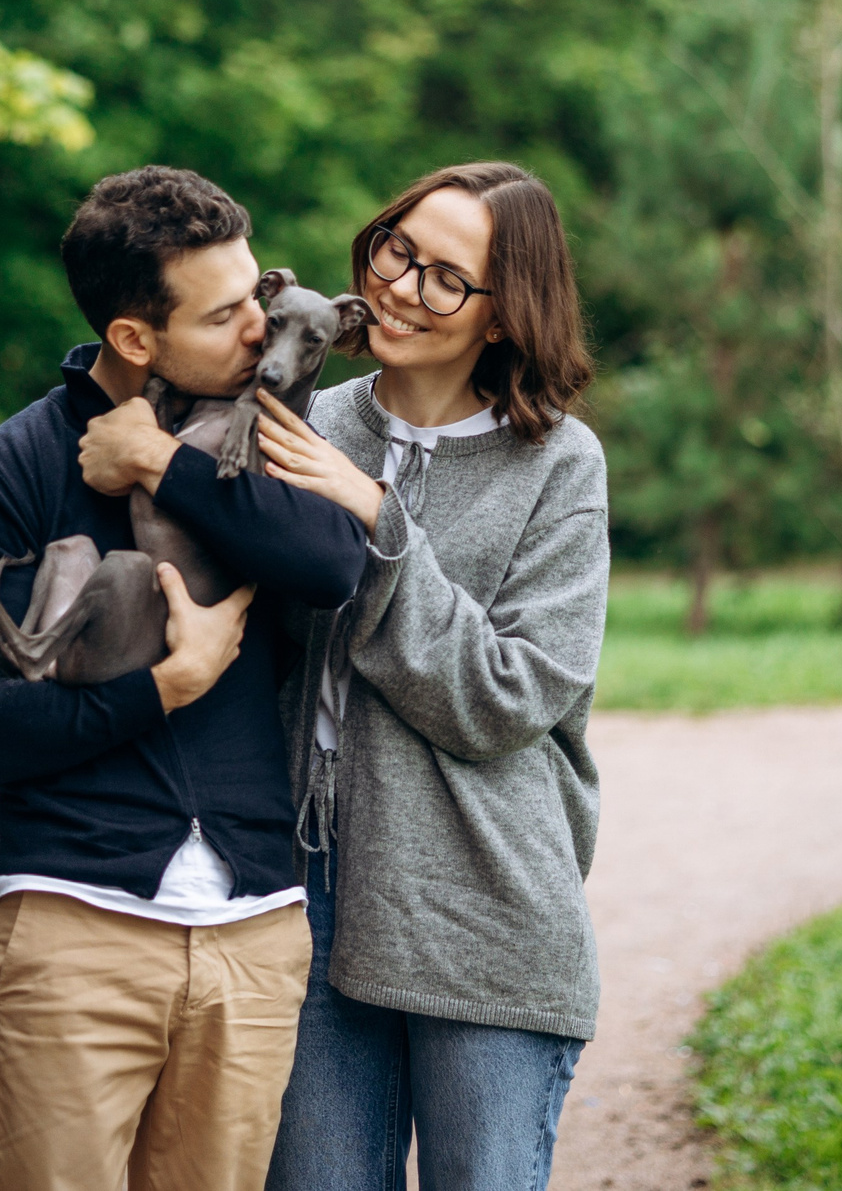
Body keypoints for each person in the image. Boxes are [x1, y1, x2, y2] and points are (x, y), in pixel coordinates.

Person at [0, 165, 370, 1191]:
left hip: (253, 935)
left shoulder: (261, 432)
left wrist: (162, 467)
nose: (260, 332)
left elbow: (333, 566)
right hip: (73, 926)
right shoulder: (8, 472)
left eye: (257, 296)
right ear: (134, 337)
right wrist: (164, 686)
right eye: (224, 316)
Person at [252, 162, 609, 1191]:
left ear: (506, 316)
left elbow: (509, 697)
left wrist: (375, 520)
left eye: (448, 277)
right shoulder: (303, 420)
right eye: (397, 251)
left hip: (478, 908)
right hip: (302, 890)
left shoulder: (557, 466)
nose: (404, 287)